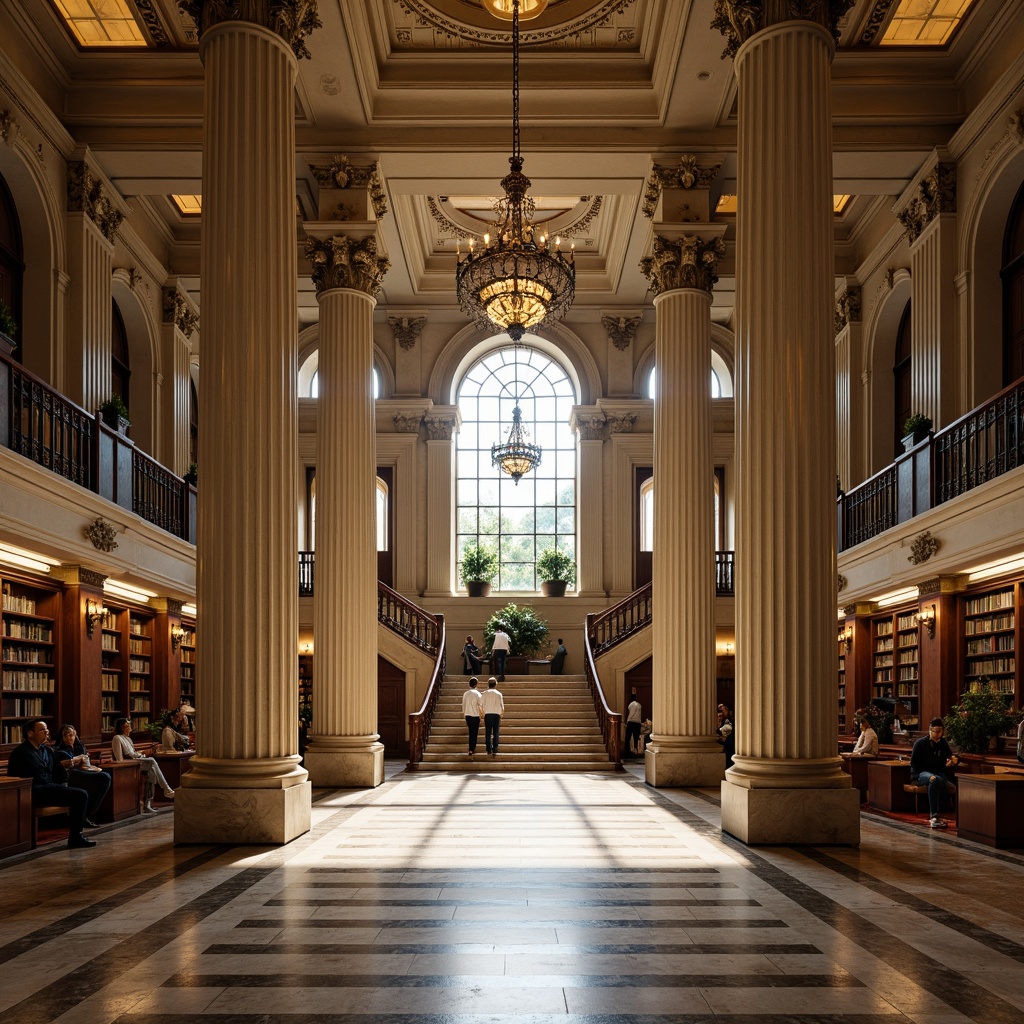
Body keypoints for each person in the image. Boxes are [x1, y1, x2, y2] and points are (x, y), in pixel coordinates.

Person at [6, 720, 95, 849]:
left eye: (47, 729)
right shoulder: (20, 753)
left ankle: (76, 834)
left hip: (48, 787)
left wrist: (69, 766)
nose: (47, 732)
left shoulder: (47, 750)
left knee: (82, 792)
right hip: (33, 791)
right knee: (80, 795)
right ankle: (75, 837)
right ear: (30, 733)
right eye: (42, 730)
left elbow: (57, 773)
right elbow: (15, 777)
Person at [111, 717, 175, 812]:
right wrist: (138, 758)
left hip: (138, 761)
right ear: (121, 728)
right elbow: (119, 759)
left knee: (152, 772)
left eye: (129, 726)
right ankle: (167, 789)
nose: (130, 729)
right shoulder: (117, 738)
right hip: (130, 764)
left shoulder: (128, 739)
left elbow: (134, 753)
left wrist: (141, 755)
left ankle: (147, 805)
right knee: (152, 760)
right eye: (127, 726)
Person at [54, 723, 112, 827]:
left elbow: (86, 763)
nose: (69, 738)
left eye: (71, 735)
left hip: (84, 772)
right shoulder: (60, 750)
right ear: (62, 737)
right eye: (66, 735)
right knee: (104, 777)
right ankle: (84, 815)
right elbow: (67, 765)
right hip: (70, 777)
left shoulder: (79, 747)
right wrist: (78, 760)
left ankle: (86, 814)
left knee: (105, 775)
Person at [910, 717, 959, 828]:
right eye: (934, 732)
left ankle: (947, 814)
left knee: (952, 786)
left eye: (939, 732)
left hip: (939, 774)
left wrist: (954, 760)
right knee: (934, 779)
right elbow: (913, 763)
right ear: (930, 731)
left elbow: (952, 756)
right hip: (922, 773)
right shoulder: (920, 743)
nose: (937, 734)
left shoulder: (943, 743)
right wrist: (914, 778)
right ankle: (934, 815)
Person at [481, 677, 505, 756]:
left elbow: (481, 704)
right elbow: (502, 706)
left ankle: (488, 749)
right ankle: (495, 748)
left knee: (488, 732)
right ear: (495, 684)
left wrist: (482, 713)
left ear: (488, 684)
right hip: (496, 714)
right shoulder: (499, 694)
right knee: (496, 732)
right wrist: (501, 714)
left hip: (488, 714)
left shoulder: (484, 693)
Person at [462, 676, 483, 756]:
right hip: (475, 715)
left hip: (467, 714)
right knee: (474, 733)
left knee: (471, 732)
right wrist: (481, 714)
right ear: (476, 684)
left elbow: (463, 704)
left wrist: (464, 714)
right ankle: (472, 748)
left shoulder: (465, 694)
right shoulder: (478, 694)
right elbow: (480, 705)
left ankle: (471, 748)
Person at [717, 704, 735, 769]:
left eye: (725, 709)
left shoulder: (731, 721)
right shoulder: (721, 721)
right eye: (721, 709)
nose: (722, 711)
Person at [625, 692, 642, 757]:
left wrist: (627, 721)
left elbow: (631, 713)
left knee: (628, 737)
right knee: (636, 737)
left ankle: (627, 751)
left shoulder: (631, 704)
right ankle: (636, 750)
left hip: (631, 722)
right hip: (638, 722)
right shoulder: (639, 705)